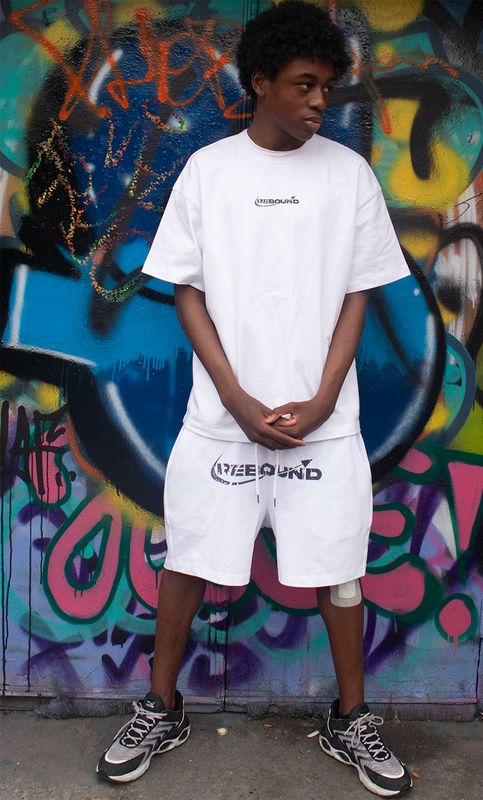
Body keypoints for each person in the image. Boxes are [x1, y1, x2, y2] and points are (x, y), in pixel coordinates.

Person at [97, 1, 412, 796]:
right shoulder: (210, 171)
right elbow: (187, 294)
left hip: (324, 426)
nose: (317, 102)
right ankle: (160, 707)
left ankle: (351, 718)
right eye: (303, 86)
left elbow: (357, 297)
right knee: (189, 562)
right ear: (260, 83)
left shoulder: (348, 176)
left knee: (338, 570)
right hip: (219, 423)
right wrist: (237, 400)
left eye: (326, 89)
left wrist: (322, 396)